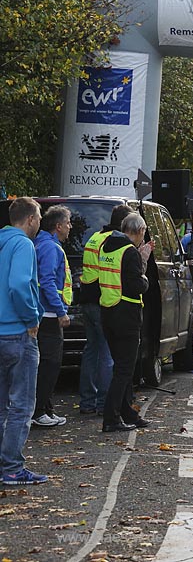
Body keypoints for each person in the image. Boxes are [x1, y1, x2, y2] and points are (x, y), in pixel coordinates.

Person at [0, 198, 46, 484]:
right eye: (39, 218)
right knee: (22, 405)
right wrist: (31, 319)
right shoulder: (23, 245)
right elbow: (18, 284)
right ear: (30, 219)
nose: (40, 223)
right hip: (18, 332)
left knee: (1, 404)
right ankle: (12, 467)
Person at [98, 212, 153, 433]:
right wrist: (145, 275)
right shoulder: (130, 252)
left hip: (108, 311)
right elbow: (136, 285)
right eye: (143, 233)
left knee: (120, 366)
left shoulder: (106, 246)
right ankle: (110, 418)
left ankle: (127, 412)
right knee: (124, 369)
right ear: (139, 231)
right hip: (127, 314)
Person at [78, 205, 132, 416]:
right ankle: (103, 403)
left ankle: (87, 402)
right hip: (103, 301)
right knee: (107, 353)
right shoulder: (114, 241)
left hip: (87, 299)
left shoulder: (95, 236)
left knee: (91, 351)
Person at [31, 205, 72, 428]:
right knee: (50, 364)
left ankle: (45, 409)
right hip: (48, 314)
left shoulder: (43, 243)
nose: (70, 227)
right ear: (58, 226)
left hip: (44, 312)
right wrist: (60, 311)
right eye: (67, 223)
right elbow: (46, 280)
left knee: (47, 363)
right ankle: (39, 412)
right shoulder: (50, 248)